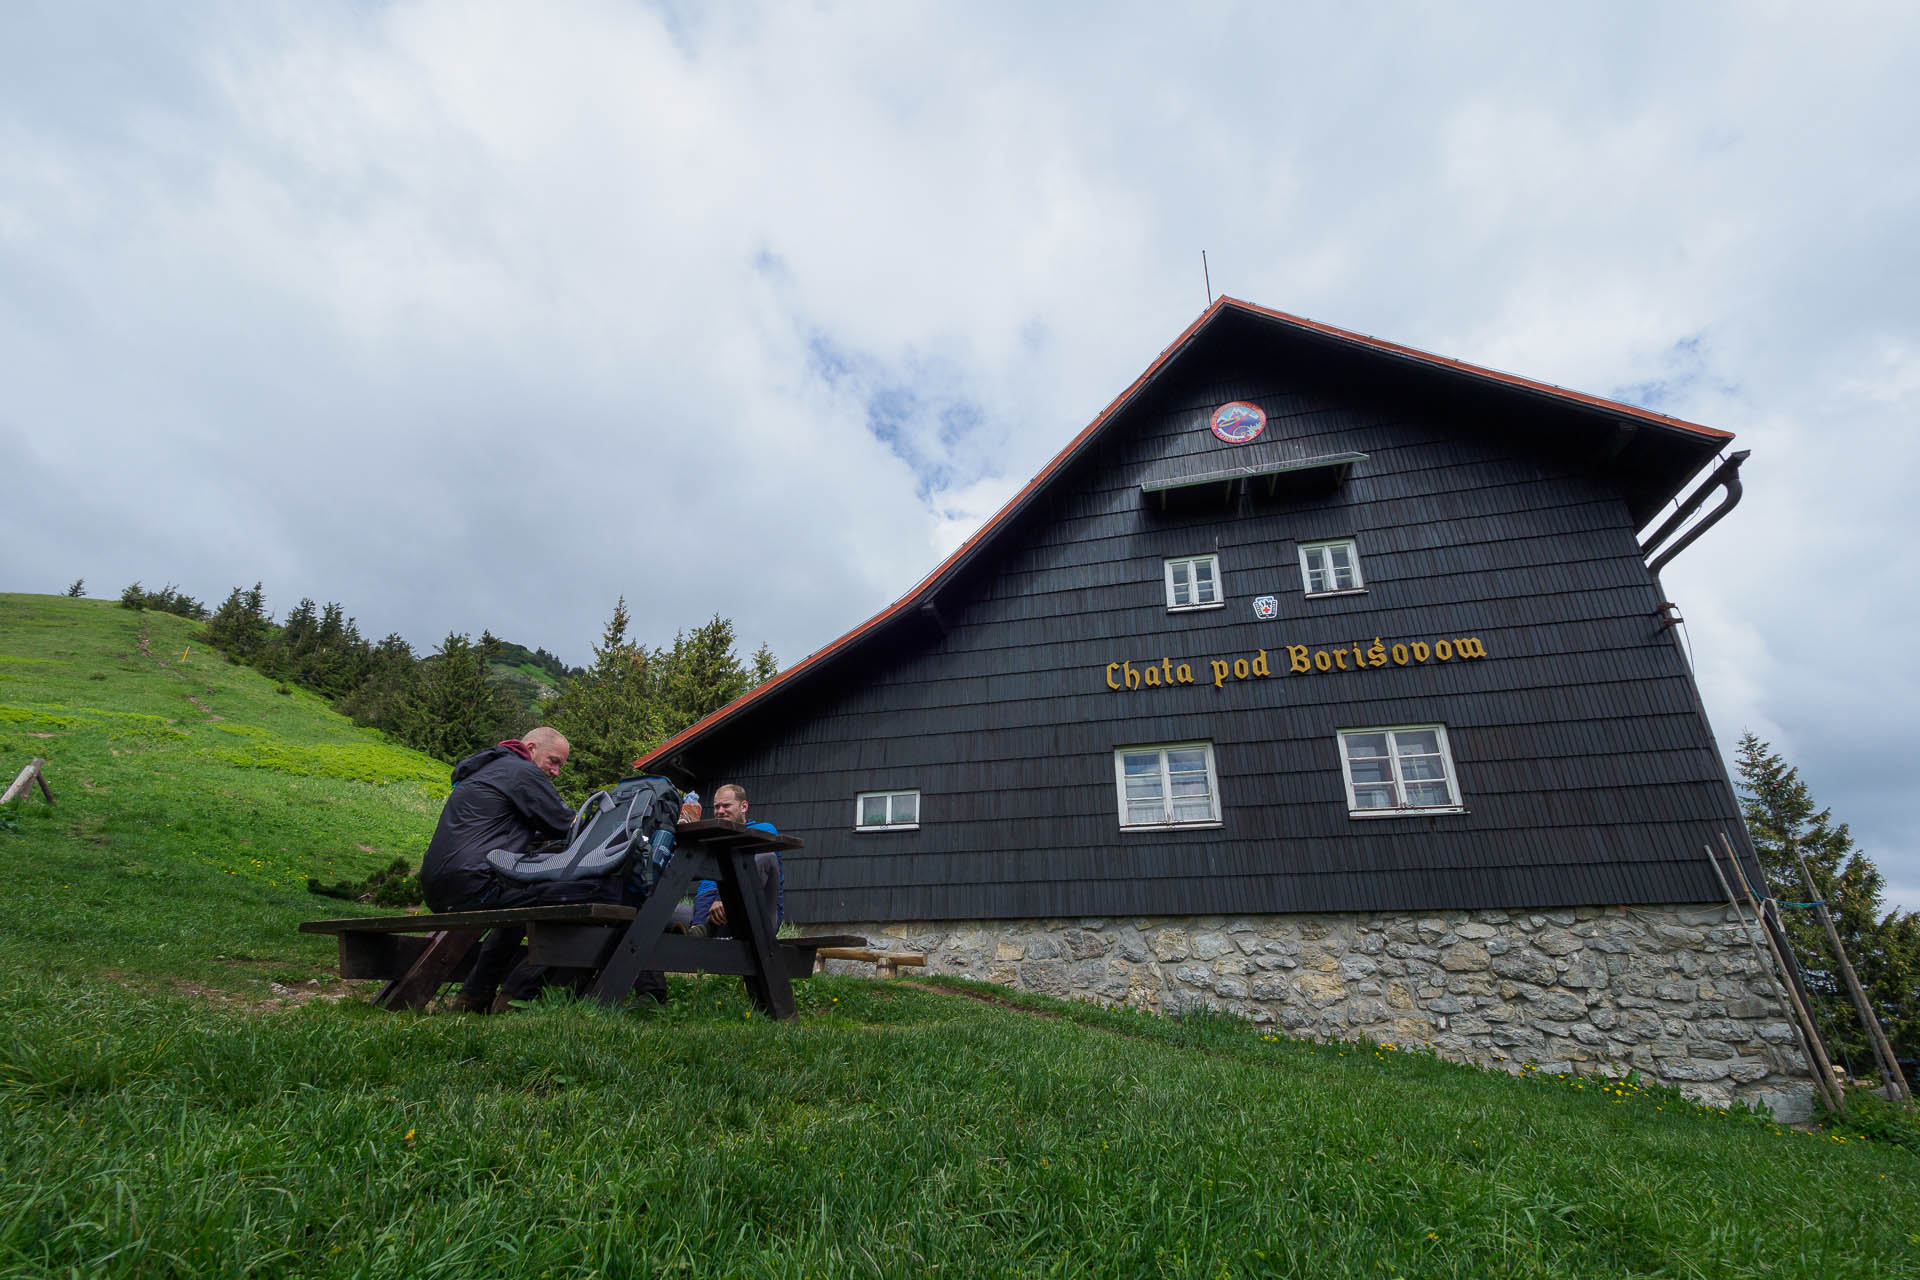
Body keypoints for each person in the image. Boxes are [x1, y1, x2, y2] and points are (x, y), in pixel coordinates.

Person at [418, 727, 619, 1012]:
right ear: (532, 747)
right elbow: (570, 826)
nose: (556, 772)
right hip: (475, 884)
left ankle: (474, 998)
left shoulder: (490, 768)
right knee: (592, 893)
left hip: (439, 886)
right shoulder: (522, 773)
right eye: (554, 761)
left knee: (522, 901)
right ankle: (518, 996)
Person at [687, 783, 784, 938]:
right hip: (715, 911)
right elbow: (705, 889)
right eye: (716, 807)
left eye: (726, 806)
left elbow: (756, 865)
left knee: (765, 857)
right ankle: (703, 931)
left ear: (743, 806)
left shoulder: (763, 829)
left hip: (760, 912)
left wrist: (722, 899)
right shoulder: (714, 841)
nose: (720, 811)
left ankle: (710, 928)